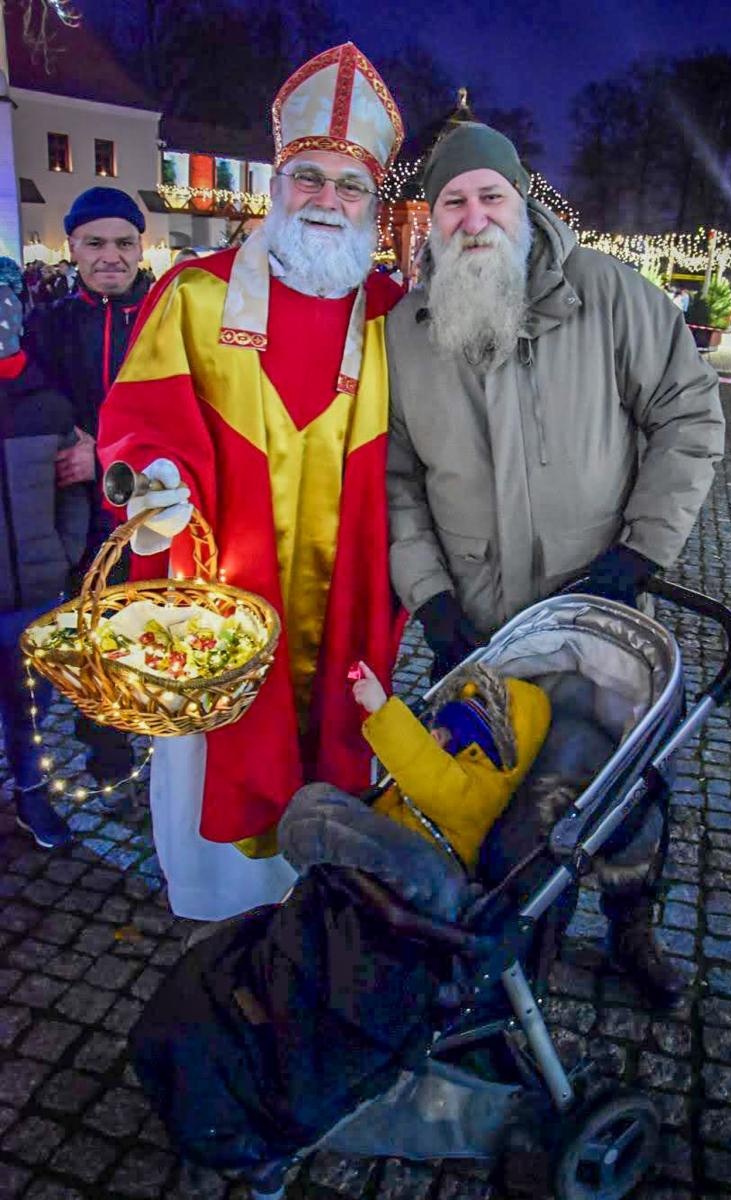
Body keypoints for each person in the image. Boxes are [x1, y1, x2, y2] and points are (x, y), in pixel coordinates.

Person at [384, 122, 725, 1003]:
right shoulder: (405, 331)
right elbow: (393, 480)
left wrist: (640, 550)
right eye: (453, 202)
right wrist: (428, 599)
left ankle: (631, 925)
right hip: (479, 619)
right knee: (502, 792)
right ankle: (521, 938)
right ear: (432, 217)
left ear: (522, 203)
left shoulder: (608, 295)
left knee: (631, 780)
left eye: (489, 196)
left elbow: (689, 414)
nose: (472, 218)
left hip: (603, 610)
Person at [97, 44, 407, 921]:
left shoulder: (394, 316)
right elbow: (145, 422)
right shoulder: (194, 296)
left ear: (373, 208)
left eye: (350, 189)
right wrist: (158, 484)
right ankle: (223, 920)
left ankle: (317, 909)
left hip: (344, 599)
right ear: (276, 185)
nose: (326, 201)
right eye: (309, 179)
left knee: (334, 753)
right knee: (216, 786)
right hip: (221, 607)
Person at [130, 662, 551, 1194]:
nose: (437, 736)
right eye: (436, 728)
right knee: (275, 948)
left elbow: (440, 786)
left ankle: (261, 1127)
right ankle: (226, 1081)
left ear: (490, 753)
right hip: (359, 896)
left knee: (321, 828)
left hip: (422, 904)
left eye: (453, 735)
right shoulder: (432, 779)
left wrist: (384, 711)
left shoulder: (472, 794)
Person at [24, 186, 152, 787]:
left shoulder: (165, 313)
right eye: (95, 242)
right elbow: (30, 402)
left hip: (152, 511)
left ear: (140, 246)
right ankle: (108, 763)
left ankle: (162, 746)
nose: (111, 256)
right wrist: (62, 438)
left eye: (124, 243)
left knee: (151, 635)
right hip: (77, 520)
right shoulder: (46, 322)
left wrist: (103, 452)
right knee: (92, 641)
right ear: (72, 246)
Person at [0, 257, 89, 849]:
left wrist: (62, 553)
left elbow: (73, 494)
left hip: (34, 587)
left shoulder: (46, 402)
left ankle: (33, 796)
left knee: (33, 707)